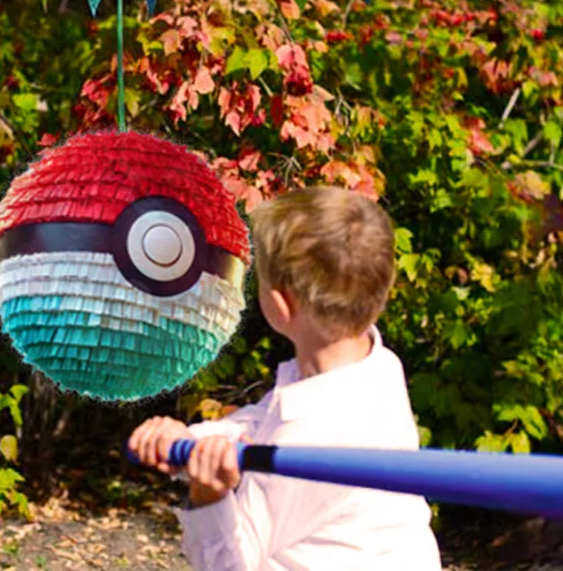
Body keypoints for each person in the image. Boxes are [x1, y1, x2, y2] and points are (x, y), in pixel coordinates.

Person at [128, 186, 441, 570]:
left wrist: (208, 495)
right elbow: (264, 418)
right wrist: (193, 441)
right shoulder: (374, 363)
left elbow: (231, 565)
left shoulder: (309, 438)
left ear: (279, 305)